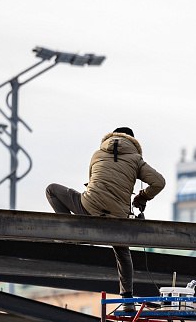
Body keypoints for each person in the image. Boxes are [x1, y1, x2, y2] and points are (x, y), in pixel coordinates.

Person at [45, 127, 166, 307]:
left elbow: (92, 182)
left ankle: (69, 233)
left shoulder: (97, 154)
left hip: (88, 208)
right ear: (133, 142)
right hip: (118, 218)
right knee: (123, 254)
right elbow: (159, 182)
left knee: (52, 189)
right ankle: (127, 299)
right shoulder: (136, 159)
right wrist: (142, 197)